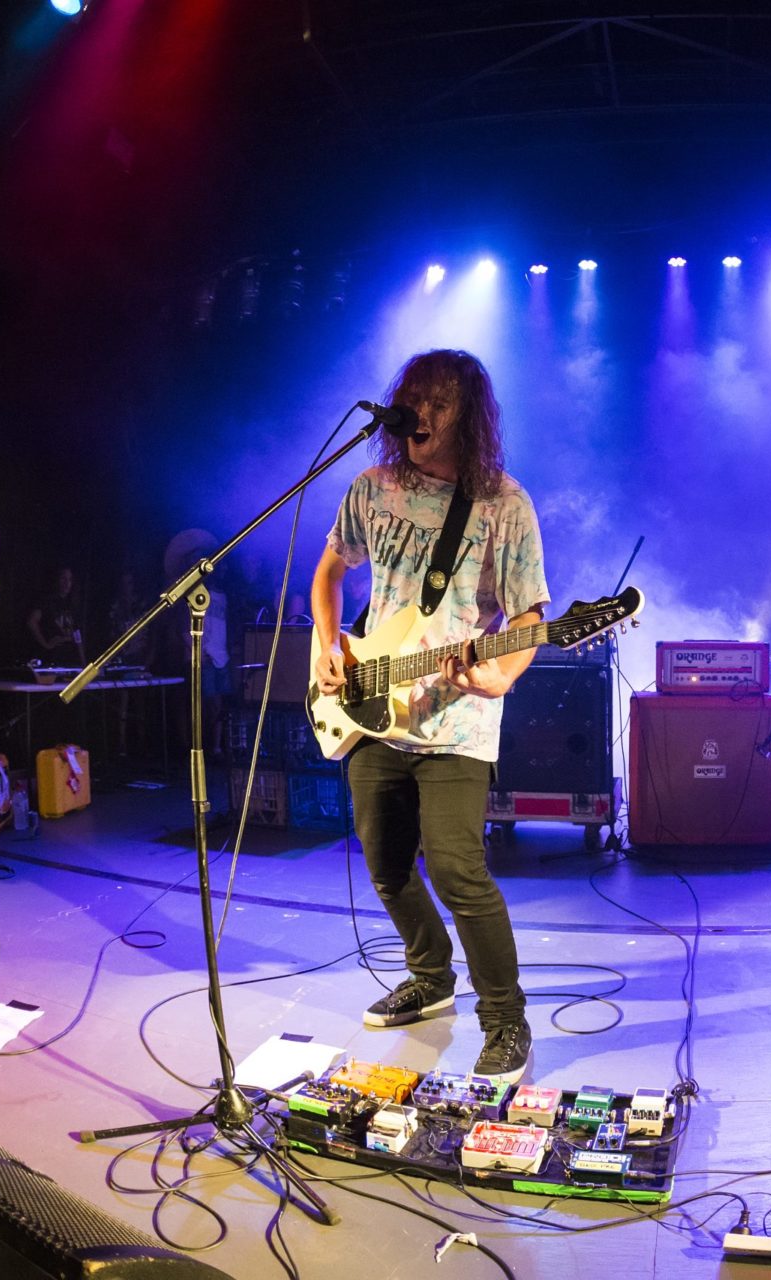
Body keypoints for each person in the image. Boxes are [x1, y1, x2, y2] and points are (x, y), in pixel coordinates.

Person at [311, 349, 549, 1084]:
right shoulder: (373, 488)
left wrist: (498, 676)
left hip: (457, 722)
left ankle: (506, 1020)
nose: (421, 412)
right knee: (384, 863)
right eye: (412, 397)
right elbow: (328, 571)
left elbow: (532, 616)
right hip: (373, 707)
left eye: (439, 402)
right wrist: (329, 647)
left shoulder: (503, 504)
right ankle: (430, 973)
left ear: (466, 417)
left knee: (456, 867)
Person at [27, 566, 85, 667]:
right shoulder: (47, 601)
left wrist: (83, 661)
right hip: (53, 656)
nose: (67, 583)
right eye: (63, 578)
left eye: (70, 580)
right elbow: (32, 622)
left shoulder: (73, 604)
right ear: (57, 580)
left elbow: (77, 632)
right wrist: (45, 644)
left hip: (70, 655)